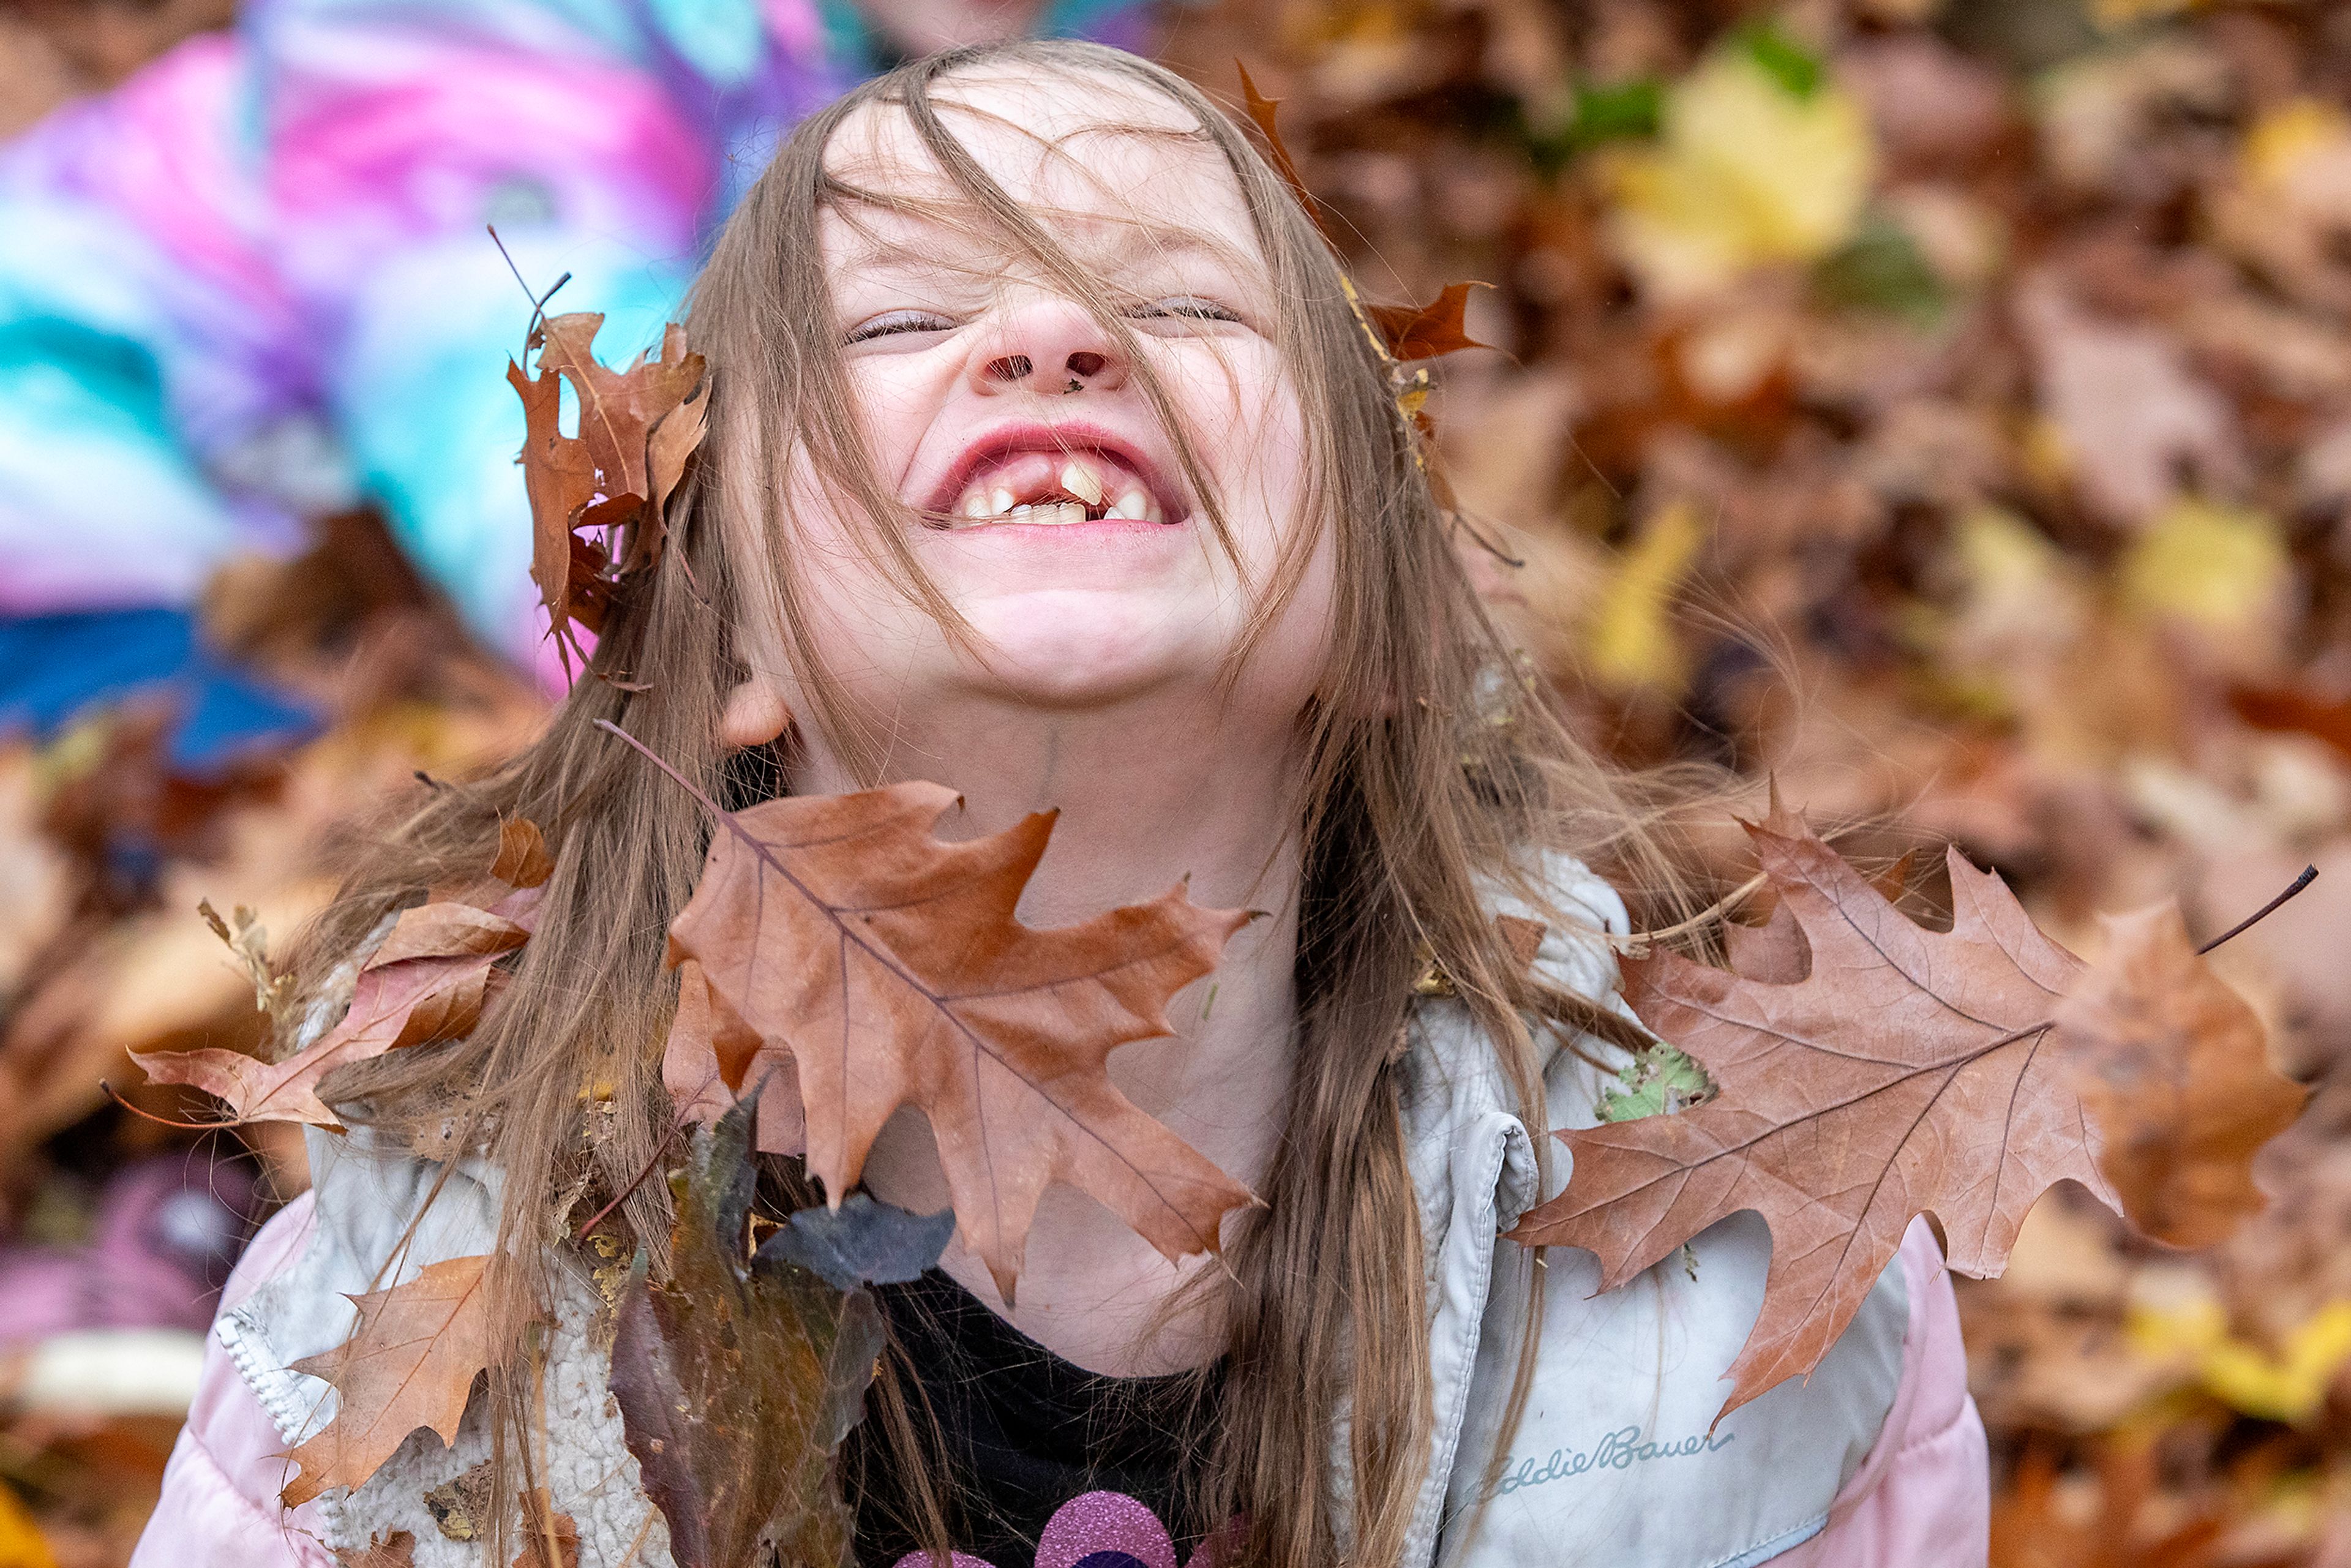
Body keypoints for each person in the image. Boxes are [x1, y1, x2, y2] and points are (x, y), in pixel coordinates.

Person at [135, 41, 1989, 1568]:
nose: (1047, 334)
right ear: (724, 650)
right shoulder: (408, 1320)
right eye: (902, 316)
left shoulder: (1734, 1278)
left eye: (1181, 300)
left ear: (1394, 625)